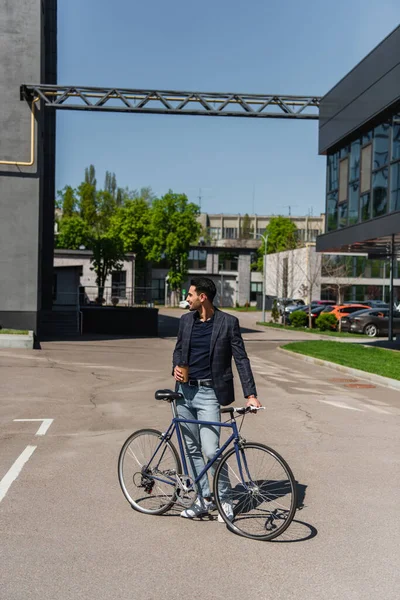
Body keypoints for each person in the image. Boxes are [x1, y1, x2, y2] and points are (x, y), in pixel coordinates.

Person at [172, 277, 261, 521]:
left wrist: (251, 395)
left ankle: (224, 499)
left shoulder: (228, 323)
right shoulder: (185, 321)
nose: (187, 298)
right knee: (190, 449)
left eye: (190, 294)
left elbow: (241, 359)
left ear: (203, 297)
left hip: (209, 393)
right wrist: (175, 368)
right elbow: (179, 350)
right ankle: (204, 499)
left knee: (211, 451)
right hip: (184, 392)